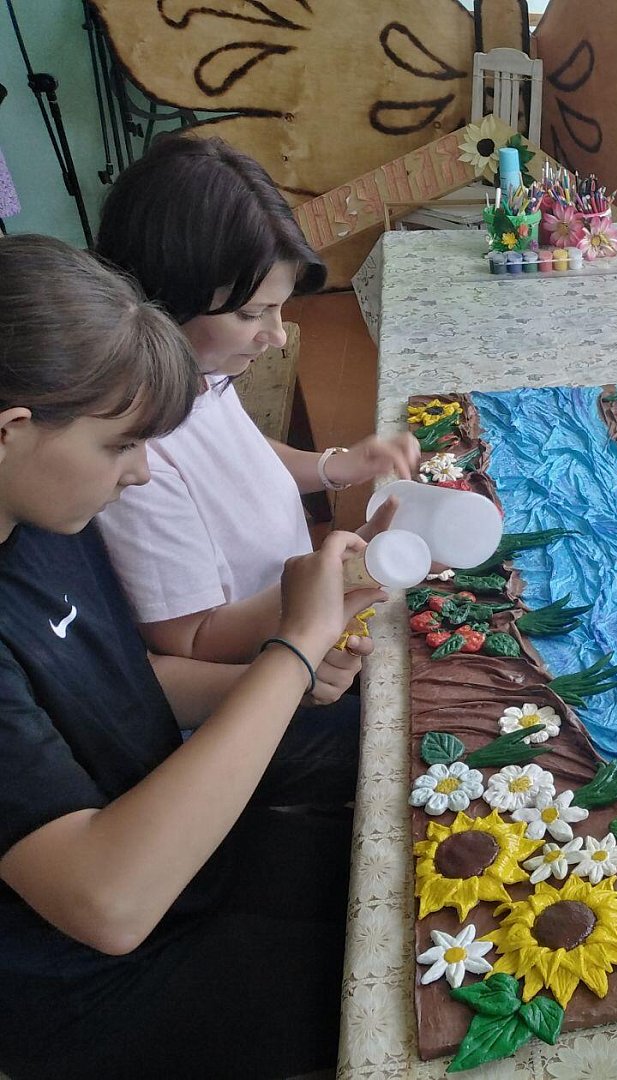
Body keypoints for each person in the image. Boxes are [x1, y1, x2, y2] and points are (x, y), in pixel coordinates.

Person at [0, 235, 386, 1078]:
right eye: (120, 446)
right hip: (96, 983)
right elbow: (110, 904)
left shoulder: (40, 519)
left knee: (411, 827)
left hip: (181, 847)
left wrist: (282, 680)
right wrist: (290, 651)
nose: (142, 474)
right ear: (13, 431)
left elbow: (120, 688)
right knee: (417, 985)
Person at [92, 134, 419, 664]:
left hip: (302, 618)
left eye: (279, 308)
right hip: (267, 667)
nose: (279, 335)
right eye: (250, 314)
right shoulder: (133, 453)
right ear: (164, 299)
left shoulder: (201, 372)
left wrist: (335, 466)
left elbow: (241, 458)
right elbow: (191, 640)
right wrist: (334, 581)